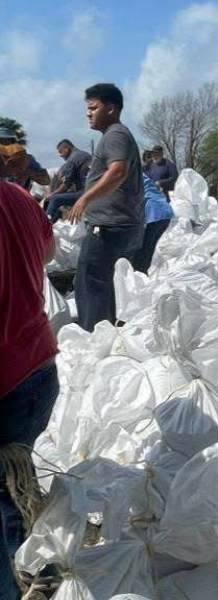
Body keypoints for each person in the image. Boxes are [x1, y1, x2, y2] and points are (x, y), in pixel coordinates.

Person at [0, 176, 59, 600]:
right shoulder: (18, 195)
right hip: (37, 371)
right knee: (14, 484)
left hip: (4, 384)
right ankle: (40, 568)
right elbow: (51, 252)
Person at [68, 83, 144, 332]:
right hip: (118, 225)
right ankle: (106, 334)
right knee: (105, 285)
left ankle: (95, 337)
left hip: (110, 226)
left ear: (111, 108)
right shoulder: (115, 135)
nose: (88, 113)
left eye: (93, 108)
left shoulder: (115, 134)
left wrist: (85, 199)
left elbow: (117, 171)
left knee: (91, 283)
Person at [131, 174, 173, 274]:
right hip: (165, 211)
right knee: (150, 246)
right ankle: (143, 273)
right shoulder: (143, 176)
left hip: (155, 212)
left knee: (144, 246)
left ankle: (139, 274)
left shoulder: (130, 176)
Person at [44, 139, 92, 222]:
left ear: (67, 148)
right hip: (95, 191)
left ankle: (44, 225)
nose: (60, 155)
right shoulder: (86, 155)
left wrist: (51, 195)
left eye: (61, 152)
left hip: (85, 193)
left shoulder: (72, 159)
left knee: (55, 199)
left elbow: (66, 185)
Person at [0, 126, 50, 191]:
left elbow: (46, 180)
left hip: (18, 195)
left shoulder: (28, 159)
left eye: (7, 142)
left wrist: (29, 173)